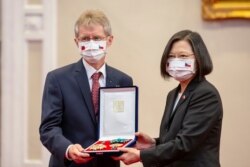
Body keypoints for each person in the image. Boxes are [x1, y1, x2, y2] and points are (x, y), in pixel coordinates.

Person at [115, 30, 223, 167]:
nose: (176, 61)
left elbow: (185, 143)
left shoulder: (206, 94)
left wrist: (141, 156)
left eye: (183, 56)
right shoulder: (173, 94)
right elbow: (173, 138)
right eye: (171, 57)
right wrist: (153, 143)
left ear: (199, 58)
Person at [39, 9, 133, 167]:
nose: (91, 44)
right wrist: (68, 149)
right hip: (70, 164)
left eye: (97, 38)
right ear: (77, 42)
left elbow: (123, 125)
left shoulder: (123, 80)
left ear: (109, 40)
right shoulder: (57, 79)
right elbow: (48, 128)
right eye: (85, 39)